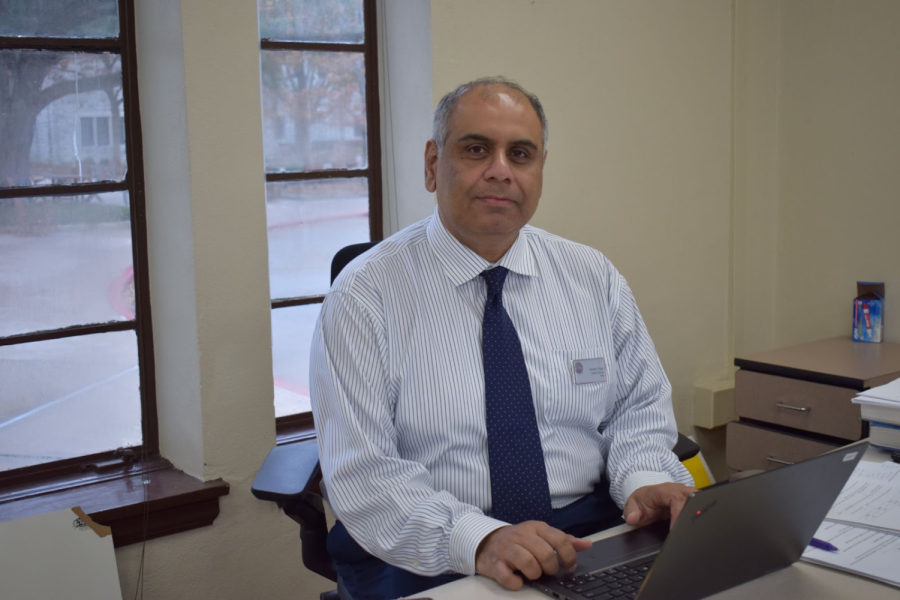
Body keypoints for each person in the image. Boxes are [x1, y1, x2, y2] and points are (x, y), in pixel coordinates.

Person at [310, 76, 695, 600]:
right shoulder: (364, 296)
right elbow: (363, 474)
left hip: (584, 535)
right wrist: (481, 538)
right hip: (432, 552)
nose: (500, 171)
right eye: (475, 149)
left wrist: (645, 479)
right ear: (431, 164)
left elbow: (638, 409)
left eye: (521, 153)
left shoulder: (592, 277)